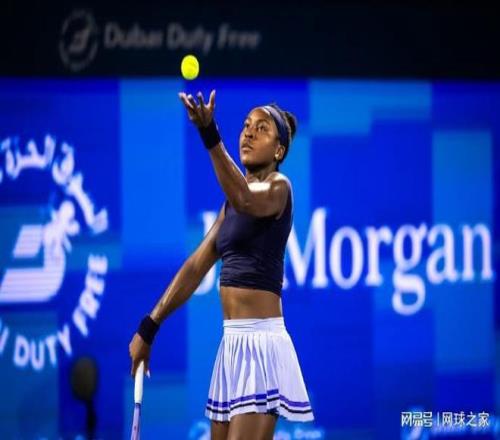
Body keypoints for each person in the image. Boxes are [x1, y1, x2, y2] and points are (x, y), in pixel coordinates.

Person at [129, 89, 313, 440]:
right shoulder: (229, 209)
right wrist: (148, 327)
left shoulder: (279, 188)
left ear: (279, 151)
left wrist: (209, 131)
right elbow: (195, 267)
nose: (249, 133)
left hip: (262, 345)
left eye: (262, 128)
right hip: (231, 346)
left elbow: (244, 197)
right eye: (246, 125)